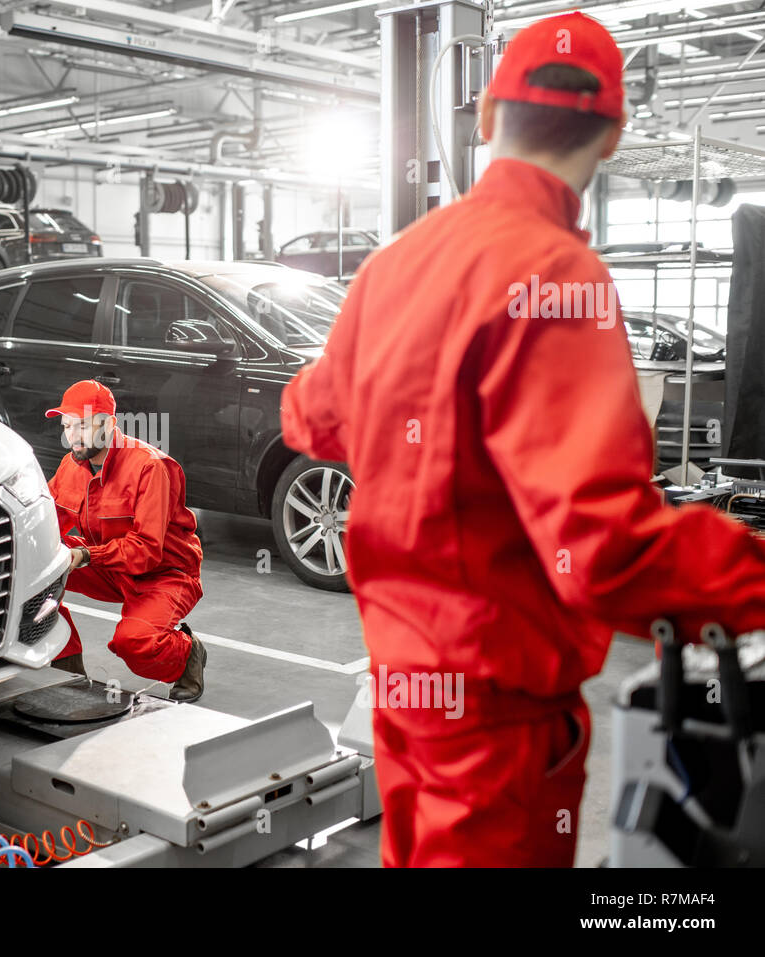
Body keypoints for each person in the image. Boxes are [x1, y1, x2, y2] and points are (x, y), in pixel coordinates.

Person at [281, 11, 765, 866]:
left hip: (403, 696)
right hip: (498, 734)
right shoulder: (560, 276)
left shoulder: (393, 266)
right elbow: (603, 546)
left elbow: (311, 417)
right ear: (611, 137)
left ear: (487, 119)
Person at [45, 379, 208, 701]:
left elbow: (146, 551)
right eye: (67, 426)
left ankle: (187, 654)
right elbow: (47, 520)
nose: (72, 437)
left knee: (134, 643)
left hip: (163, 573)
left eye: (82, 426)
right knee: (36, 575)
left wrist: (86, 556)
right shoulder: (71, 465)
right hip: (111, 566)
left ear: (108, 424)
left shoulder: (150, 467)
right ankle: (66, 670)